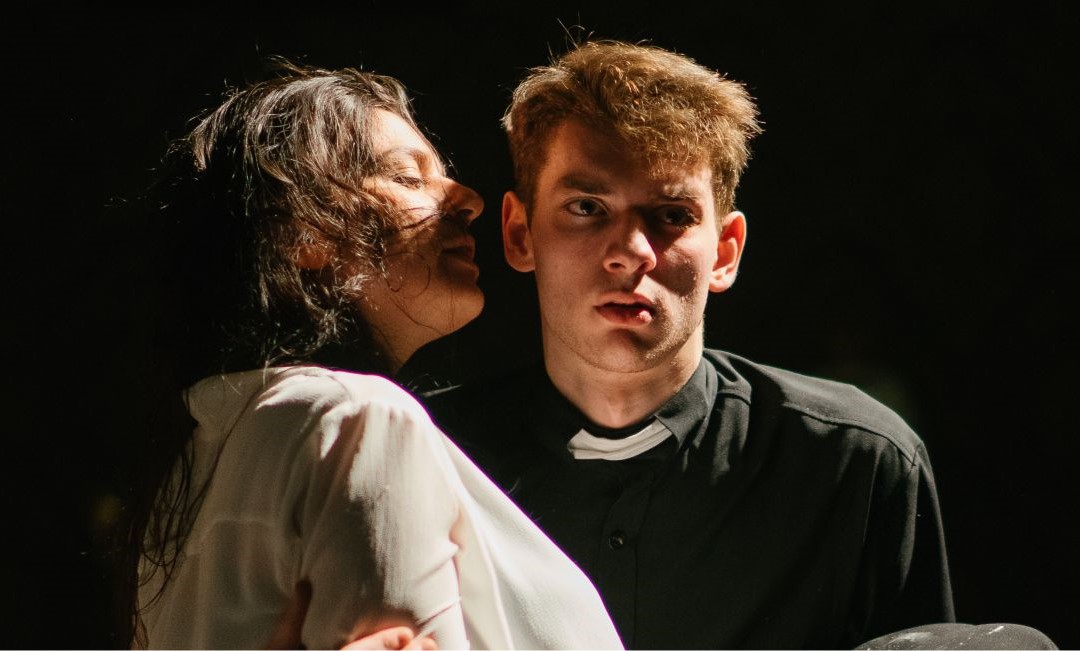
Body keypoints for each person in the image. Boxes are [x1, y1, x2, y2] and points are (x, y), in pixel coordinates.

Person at [425, 41, 957, 649]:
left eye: (672, 215)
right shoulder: (430, 453)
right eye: (587, 207)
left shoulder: (853, 463)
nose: (631, 252)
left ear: (726, 252)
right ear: (520, 234)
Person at [119, 63, 622, 650]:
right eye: (408, 177)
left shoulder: (199, 459)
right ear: (303, 234)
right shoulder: (360, 418)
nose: (469, 200)